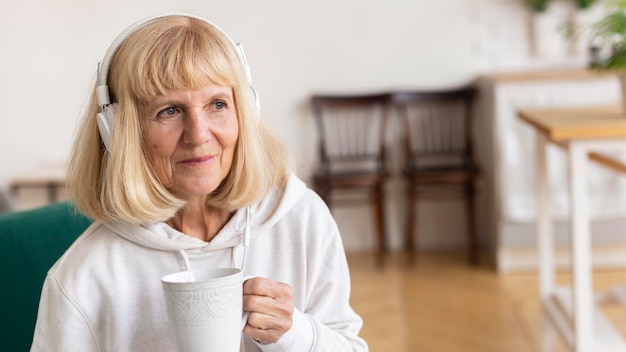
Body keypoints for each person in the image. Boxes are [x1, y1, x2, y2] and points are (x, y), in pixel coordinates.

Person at [30, 13, 368, 352]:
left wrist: (294, 332)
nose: (199, 135)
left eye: (217, 104)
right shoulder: (84, 277)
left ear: (246, 111)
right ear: (119, 133)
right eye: (169, 111)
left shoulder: (300, 218)